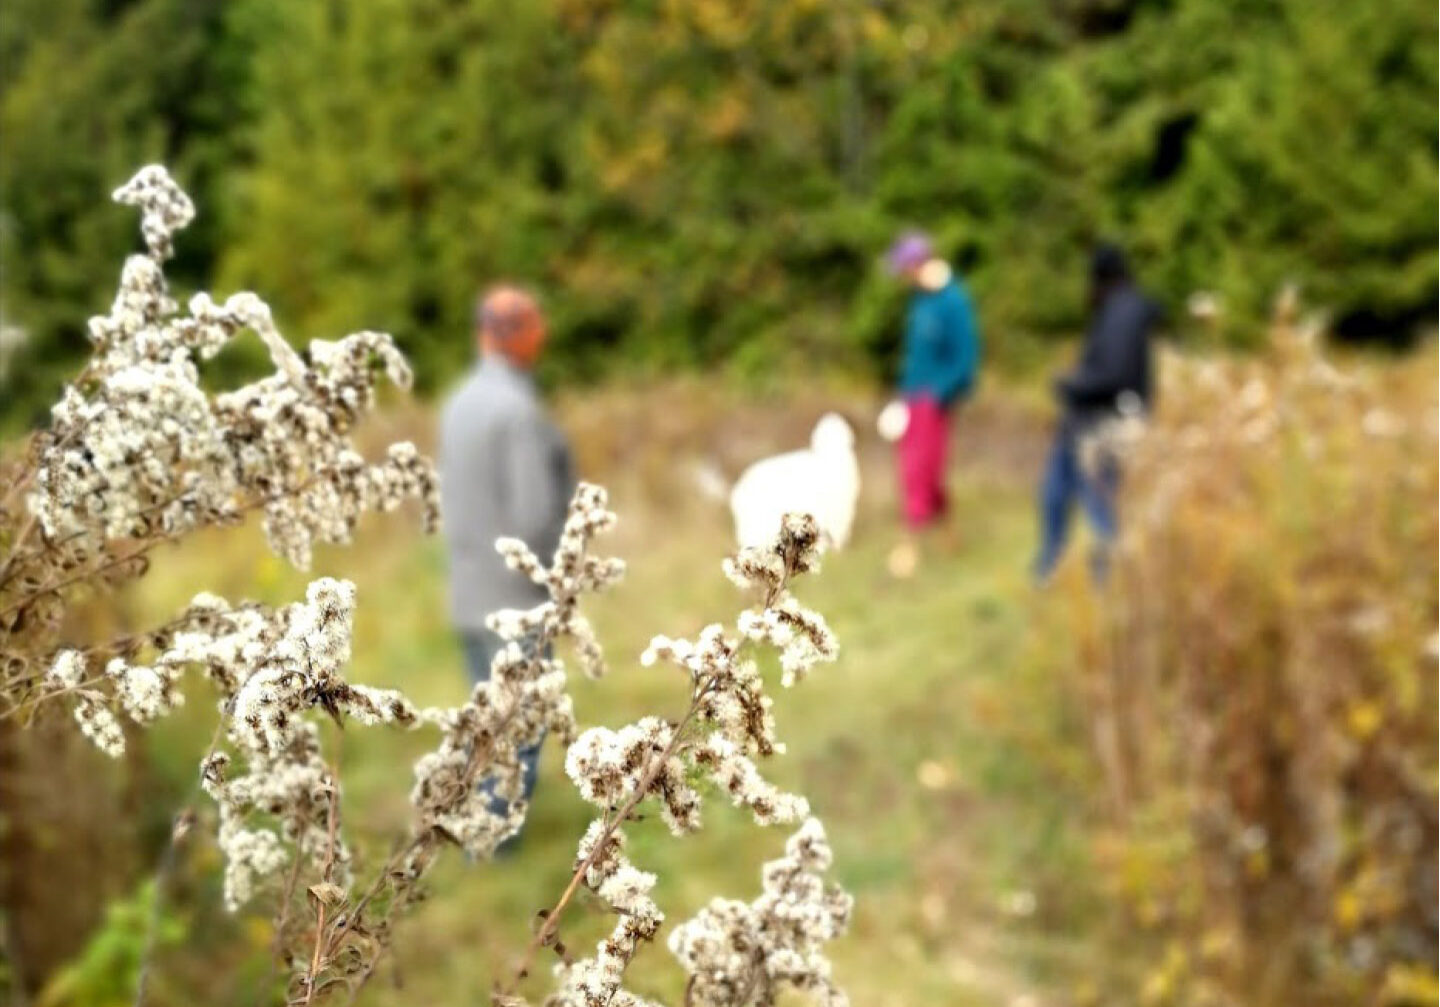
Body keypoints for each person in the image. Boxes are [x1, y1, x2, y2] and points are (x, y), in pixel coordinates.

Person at [439, 285, 575, 826]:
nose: (544, 335)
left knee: (487, 726)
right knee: (518, 733)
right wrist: (560, 582)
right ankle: (493, 843)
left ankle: (474, 832)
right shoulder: (518, 411)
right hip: (515, 602)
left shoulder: (459, 403)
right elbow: (536, 516)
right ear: (515, 334)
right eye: (537, 324)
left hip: (468, 592)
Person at [1033, 243, 1158, 584]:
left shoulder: (1121, 315)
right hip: (1086, 422)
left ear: (1102, 278)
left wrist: (1070, 385)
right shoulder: (1122, 310)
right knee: (1055, 495)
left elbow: (1113, 376)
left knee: (1097, 505)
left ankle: (1105, 578)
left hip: (1100, 425)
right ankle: (1049, 569)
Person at [883, 230, 982, 573]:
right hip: (912, 397)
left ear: (917, 264)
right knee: (926, 471)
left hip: (933, 400)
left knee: (917, 471)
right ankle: (951, 538)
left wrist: (939, 395)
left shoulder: (953, 301)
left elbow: (966, 358)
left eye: (903, 269)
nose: (900, 277)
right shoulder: (919, 299)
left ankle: (908, 548)